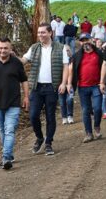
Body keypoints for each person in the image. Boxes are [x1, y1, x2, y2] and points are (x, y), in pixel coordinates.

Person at [20, 22, 70, 156]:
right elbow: (24, 60)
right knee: (33, 115)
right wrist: (12, 58)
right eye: (39, 32)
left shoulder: (61, 48)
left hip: (52, 87)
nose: (40, 35)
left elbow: (66, 66)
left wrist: (64, 83)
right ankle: (39, 137)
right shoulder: (34, 47)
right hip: (36, 87)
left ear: (50, 33)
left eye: (43, 32)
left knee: (50, 116)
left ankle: (48, 143)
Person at [0, 37, 29, 170]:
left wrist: (26, 97)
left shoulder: (16, 63)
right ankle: (8, 154)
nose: (3, 50)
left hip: (13, 102)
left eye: (5, 48)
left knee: (9, 130)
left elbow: (24, 80)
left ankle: (6, 157)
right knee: (2, 131)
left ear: (10, 49)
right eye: (0, 48)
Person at [70, 33, 103, 142]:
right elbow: (71, 70)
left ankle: (97, 126)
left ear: (91, 40)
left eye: (87, 40)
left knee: (98, 108)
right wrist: (69, 84)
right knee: (85, 110)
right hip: (83, 87)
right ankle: (88, 133)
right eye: (82, 40)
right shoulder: (76, 56)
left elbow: (105, 67)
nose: (85, 42)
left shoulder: (99, 53)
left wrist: (104, 82)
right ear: (80, 42)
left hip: (96, 86)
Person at [60, 42, 75, 125]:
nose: (67, 52)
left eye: (68, 50)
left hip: (70, 84)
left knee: (69, 100)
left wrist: (69, 84)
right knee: (62, 102)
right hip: (60, 84)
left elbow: (71, 71)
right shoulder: (59, 60)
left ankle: (70, 115)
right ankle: (64, 117)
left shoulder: (72, 60)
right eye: (65, 51)